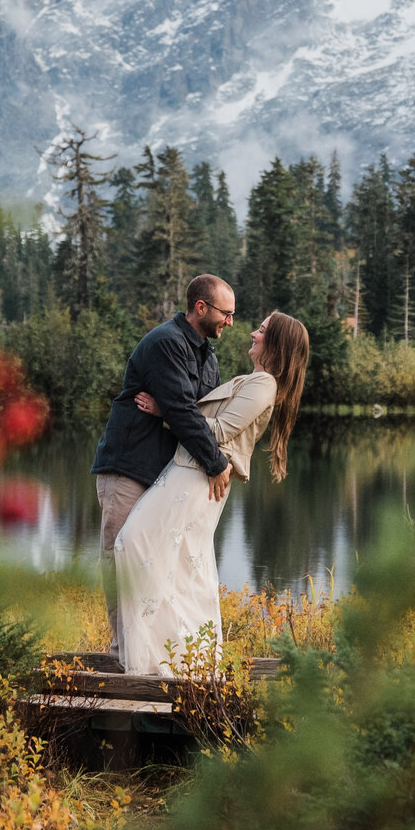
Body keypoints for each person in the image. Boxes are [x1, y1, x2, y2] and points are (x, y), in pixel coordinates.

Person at [112, 310, 309, 676]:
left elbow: (219, 431)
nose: (253, 333)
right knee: (182, 566)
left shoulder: (264, 384)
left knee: (135, 544)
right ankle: (181, 659)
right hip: (191, 472)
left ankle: (158, 659)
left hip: (194, 477)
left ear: (277, 344)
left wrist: (165, 411)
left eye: (262, 331)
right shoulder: (258, 380)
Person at [89, 274, 237, 654]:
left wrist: (171, 411)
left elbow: (201, 414)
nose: (230, 322)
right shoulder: (165, 343)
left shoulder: (208, 358)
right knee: (121, 557)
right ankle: (123, 650)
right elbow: (185, 412)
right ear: (200, 307)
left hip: (163, 479)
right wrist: (217, 464)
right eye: (226, 313)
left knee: (155, 567)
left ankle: (149, 650)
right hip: (128, 469)